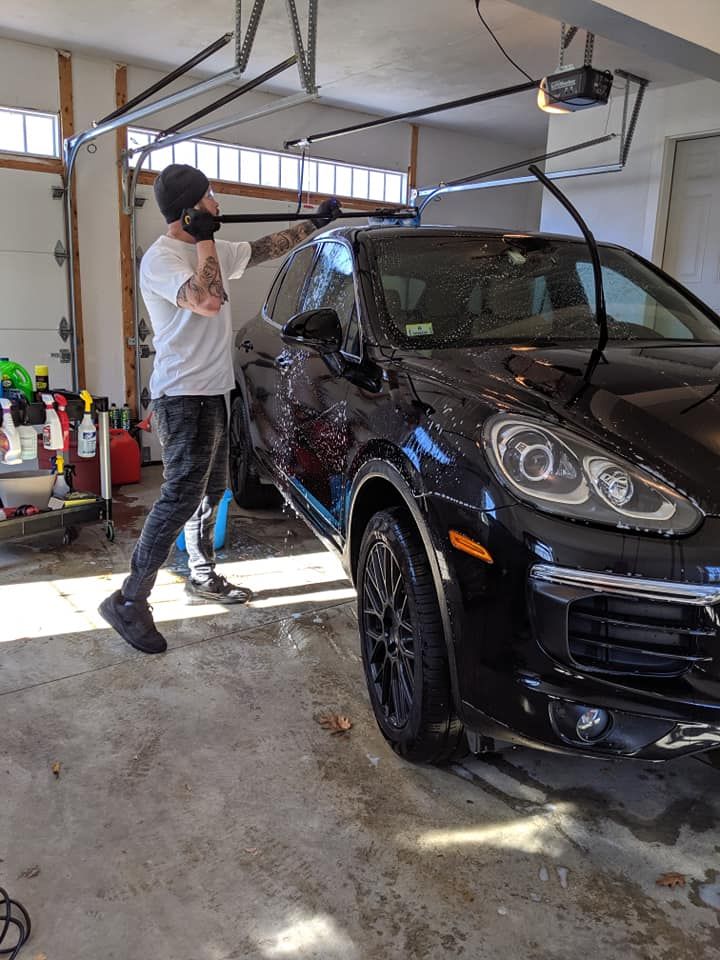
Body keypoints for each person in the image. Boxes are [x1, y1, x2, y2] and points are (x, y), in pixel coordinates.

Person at [99, 163, 341, 654]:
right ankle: (129, 599)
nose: (218, 204)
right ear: (189, 213)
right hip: (181, 396)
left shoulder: (208, 245)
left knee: (213, 492)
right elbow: (208, 301)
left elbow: (265, 248)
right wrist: (204, 241)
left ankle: (202, 575)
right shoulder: (164, 259)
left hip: (212, 390)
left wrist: (316, 224)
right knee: (180, 496)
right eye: (210, 198)